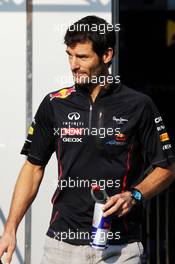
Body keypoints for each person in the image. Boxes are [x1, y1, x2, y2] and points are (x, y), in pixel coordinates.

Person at [0, 15, 175, 264]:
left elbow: (166, 167)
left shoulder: (139, 105)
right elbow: (33, 167)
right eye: (69, 55)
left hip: (121, 247)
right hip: (61, 246)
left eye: (82, 57)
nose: (73, 65)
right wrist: (10, 229)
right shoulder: (54, 104)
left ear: (107, 55)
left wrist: (135, 195)